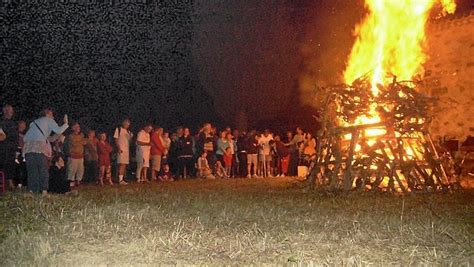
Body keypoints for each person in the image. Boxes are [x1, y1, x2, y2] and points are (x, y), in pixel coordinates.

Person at [23, 108, 68, 195]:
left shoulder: (34, 122)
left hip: (28, 147)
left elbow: (49, 139)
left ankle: (32, 190)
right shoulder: (48, 120)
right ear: (47, 114)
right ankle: (44, 190)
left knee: (32, 170)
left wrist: (57, 135)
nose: (53, 117)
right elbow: (59, 130)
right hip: (38, 147)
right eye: (52, 114)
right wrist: (66, 123)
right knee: (43, 169)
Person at [0, 104, 19, 190]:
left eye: (11, 111)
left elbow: (15, 136)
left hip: (12, 148)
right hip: (4, 148)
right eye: (9, 110)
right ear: (5, 111)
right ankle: (6, 184)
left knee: (11, 165)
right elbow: (3, 136)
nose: (11, 112)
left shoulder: (12, 123)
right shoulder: (2, 122)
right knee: (5, 165)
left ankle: (10, 183)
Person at [64, 122, 86, 187]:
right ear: (73, 128)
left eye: (79, 127)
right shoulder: (70, 136)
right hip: (73, 156)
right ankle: (70, 182)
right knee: (72, 170)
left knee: (80, 170)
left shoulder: (80, 136)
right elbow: (74, 143)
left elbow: (85, 142)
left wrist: (80, 141)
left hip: (80, 156)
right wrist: (81, 141)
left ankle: (78, 181)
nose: (78, 128)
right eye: (77, 127)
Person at [114, 119, 133, 185]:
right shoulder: (118, 129)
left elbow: (129, 142)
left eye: (128, 125)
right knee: (121, 164)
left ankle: (122, 178)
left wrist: (130, 137)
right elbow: (116, 139)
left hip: (126, 150)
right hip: (121, 149)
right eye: (126, 124)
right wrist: (118, 148)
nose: (127, 125)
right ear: (123, 123)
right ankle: (120, 179)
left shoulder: (128, 131)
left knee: (124, 164)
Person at [15, 120, 28, 188]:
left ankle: (23, 184)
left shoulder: (24, 134)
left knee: (23, 168)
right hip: (18, 152)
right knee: (18, 168)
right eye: (23, 124)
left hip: (23, 153)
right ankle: (18, 184)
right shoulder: (16, 133)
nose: (24, 126)